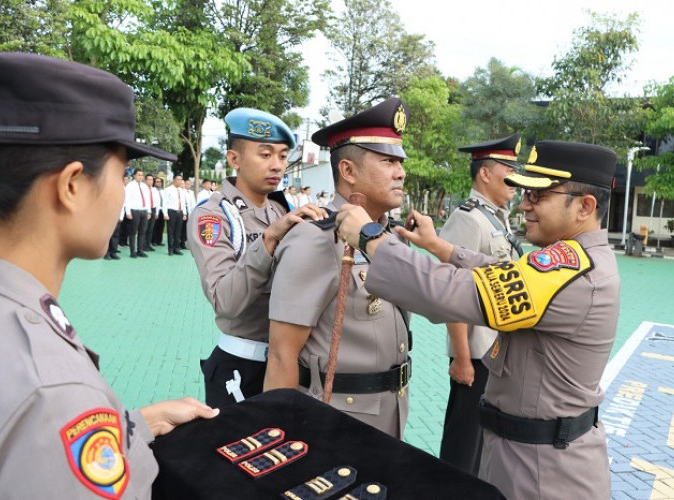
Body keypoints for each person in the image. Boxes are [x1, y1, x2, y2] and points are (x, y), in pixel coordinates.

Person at [0, 52, 219, 500]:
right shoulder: (52, 392)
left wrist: (130, 428)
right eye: (121, 172)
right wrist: (80, 418)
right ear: (71, 186)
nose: (123, 190)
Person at [336, 140, 619, 499]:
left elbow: (452, 293)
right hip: (527, 452)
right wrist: (443, 248)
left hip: (544, 472)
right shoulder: (569, 259)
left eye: (538, 195)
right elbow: (504, 273)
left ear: (585, 206)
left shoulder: (573, 270)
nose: (525, 204)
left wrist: (370, 237)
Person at [264, 97, 412, 438]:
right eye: (388, 161)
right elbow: (282, 356)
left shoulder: (389, 236)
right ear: (347, 171)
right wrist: (282, 447)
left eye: (400, 161)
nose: (401, 172)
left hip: (390, 410)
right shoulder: (315, 240)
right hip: (335, 422)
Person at [187, 108, 326, 408]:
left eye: (282, 155)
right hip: (242, 367)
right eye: (265, 155)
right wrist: (268, 240)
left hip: (290, 364)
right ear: (234, 159)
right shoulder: (213, 216)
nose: (277, 165)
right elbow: (226, 301)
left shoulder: (280, 210)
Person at [437, 133, 523, 475]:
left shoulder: (497, 217)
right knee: (463, 444)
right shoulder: (467, 218)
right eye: (508, 169)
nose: (515, 179)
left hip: (495, 349)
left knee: (483, 442)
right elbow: (451, 293)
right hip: (475, 352)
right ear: (485, 173)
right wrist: (461, 357)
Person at [124, 168, 151, 257]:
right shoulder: (130, 185)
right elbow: (126, 199)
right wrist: (128, 212)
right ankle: (132, 251)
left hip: (144, 211)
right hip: (134, 211)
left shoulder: (144, 186)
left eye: (142, 175)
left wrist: (149, 211)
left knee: (142, 232)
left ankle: (140, 250)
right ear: (134, 175)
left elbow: (147, 199)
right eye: (139, 175)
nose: (140, 177)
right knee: (133, 232)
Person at [161, 175, 187, 255]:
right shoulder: (168, 190)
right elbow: (164, 202)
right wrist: (165, 213)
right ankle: (170, 249)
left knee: (178, 231)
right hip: (171, 212)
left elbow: (183, 202)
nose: (179, 181)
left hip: (180, 212)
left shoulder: (182, 191)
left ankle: (176, 248)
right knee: (171, 231)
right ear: (174, 180)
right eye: (178, 179)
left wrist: (184, 213)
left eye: (180, 180)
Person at [143, 173, 159, 252]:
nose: (151, 181)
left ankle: (148, 244)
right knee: (144, 228)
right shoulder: (143, 189)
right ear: (146, 180)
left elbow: (157, 202)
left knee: (150, 229)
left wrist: (156, 212)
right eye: (149, 179)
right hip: (145, 210)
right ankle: (143, 245)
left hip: (153, 210)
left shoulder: (154, 190)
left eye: (152, 179)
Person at [152, 176, 166, 246]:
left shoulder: (163, 191)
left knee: (161, 226)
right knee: (155, 226)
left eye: (160, 182)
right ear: (154, 183)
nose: (159, 183)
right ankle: (154, 241)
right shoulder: (153, 190)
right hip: (155, 210)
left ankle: (159, 241)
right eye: (157, 182)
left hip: (162, 210)